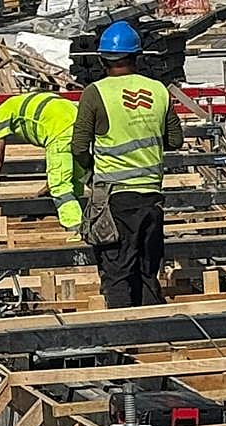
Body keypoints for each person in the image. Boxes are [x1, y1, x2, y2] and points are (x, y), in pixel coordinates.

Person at [71, 21, 183, 308]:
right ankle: (152, 341)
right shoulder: (158, 91)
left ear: (102, 59)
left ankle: (123, 342)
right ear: (137, 55)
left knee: (117, 273)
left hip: (116, 200)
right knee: (146, 272)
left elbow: (79, 147)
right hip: (151, 200)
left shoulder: (95, 93)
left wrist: (89, 171)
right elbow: (175, 140)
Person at [0, 91, 85, 231]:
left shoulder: (2, 111)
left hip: (60, 130)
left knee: (60, 185)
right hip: (80, 120)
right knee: (76, 179)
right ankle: (84, 217)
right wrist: (45, 188)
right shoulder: (22, 101)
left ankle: (75, 227)